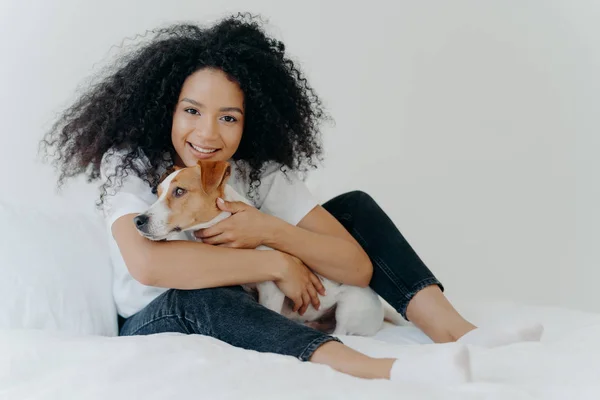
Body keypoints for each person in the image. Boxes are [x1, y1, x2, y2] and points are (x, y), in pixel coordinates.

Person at [42, 13, 542, 384]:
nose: (207, 133)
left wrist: (269, 232)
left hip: (247, 297)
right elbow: (148, 266)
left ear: (251, 120)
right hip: (160, 312)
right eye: (192, 110)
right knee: (203, 295)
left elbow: (355, 266)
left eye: (229, 117)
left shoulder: (262, 175)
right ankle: (371, 369)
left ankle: (459, 333)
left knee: (354, 208)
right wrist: (276, 265)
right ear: (166, 109)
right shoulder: (129, 164)